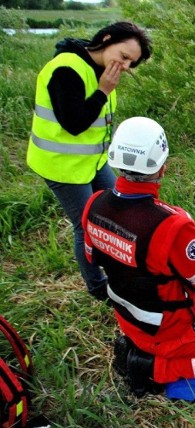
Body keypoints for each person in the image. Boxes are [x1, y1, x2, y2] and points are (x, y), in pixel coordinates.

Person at [81, 117, 195, 390]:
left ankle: (141, 350)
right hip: (169, 329)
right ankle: (151, 368)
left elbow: (93, 257)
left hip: (127, 317)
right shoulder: (172, 226)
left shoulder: (94, 204)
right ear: (162, 167)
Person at [26, 22, 153, 300]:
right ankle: (98, 288)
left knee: (118, 207)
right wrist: (103, 90)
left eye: (131, 62)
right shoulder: (67, 68)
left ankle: (123, 266)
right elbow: (73, 123)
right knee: (85, 226)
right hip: (61, 165)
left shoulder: (102, 69)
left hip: (92, 161)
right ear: (106, 39)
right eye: (123, 55)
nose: (125, 66)